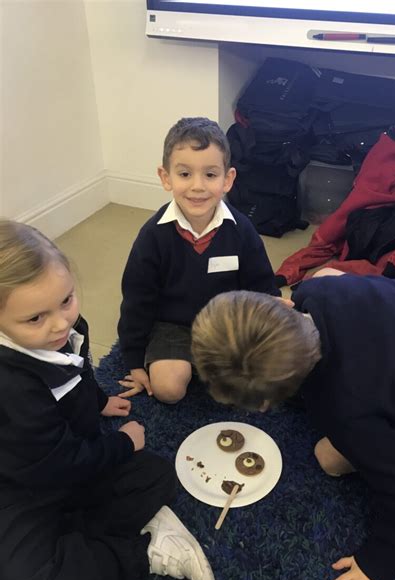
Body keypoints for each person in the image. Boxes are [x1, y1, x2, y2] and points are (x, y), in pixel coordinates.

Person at [191, 270, 395, 580]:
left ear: (265, 406)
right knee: (328, 271)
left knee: (328, 457)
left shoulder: (349, 412)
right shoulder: (315, 290)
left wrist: (380, 561)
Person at [0, 221, 215, 580]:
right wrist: (120, 445)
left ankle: (57, 564)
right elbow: (55, 465)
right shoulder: (11, 387)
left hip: (70, 464)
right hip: (24, 488)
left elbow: (76, 372)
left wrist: (97, 402)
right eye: (34, 318)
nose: (60, 324)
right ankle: (146, 553)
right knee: (13, 579)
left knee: (156, 474)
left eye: (66, 300)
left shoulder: (64, 334)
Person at [117, 116, 279, 404]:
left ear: (227, 179)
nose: (197, 186)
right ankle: (187, 365)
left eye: (210, 174)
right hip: (173, 327)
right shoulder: (153, 236)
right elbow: (137, 300)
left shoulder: (242, 231)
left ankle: (213, 364)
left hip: (225, 325)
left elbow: (261, 286)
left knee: (258, 380)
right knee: (168, 390)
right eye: (184, 174)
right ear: (165, 177)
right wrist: (133, 359)